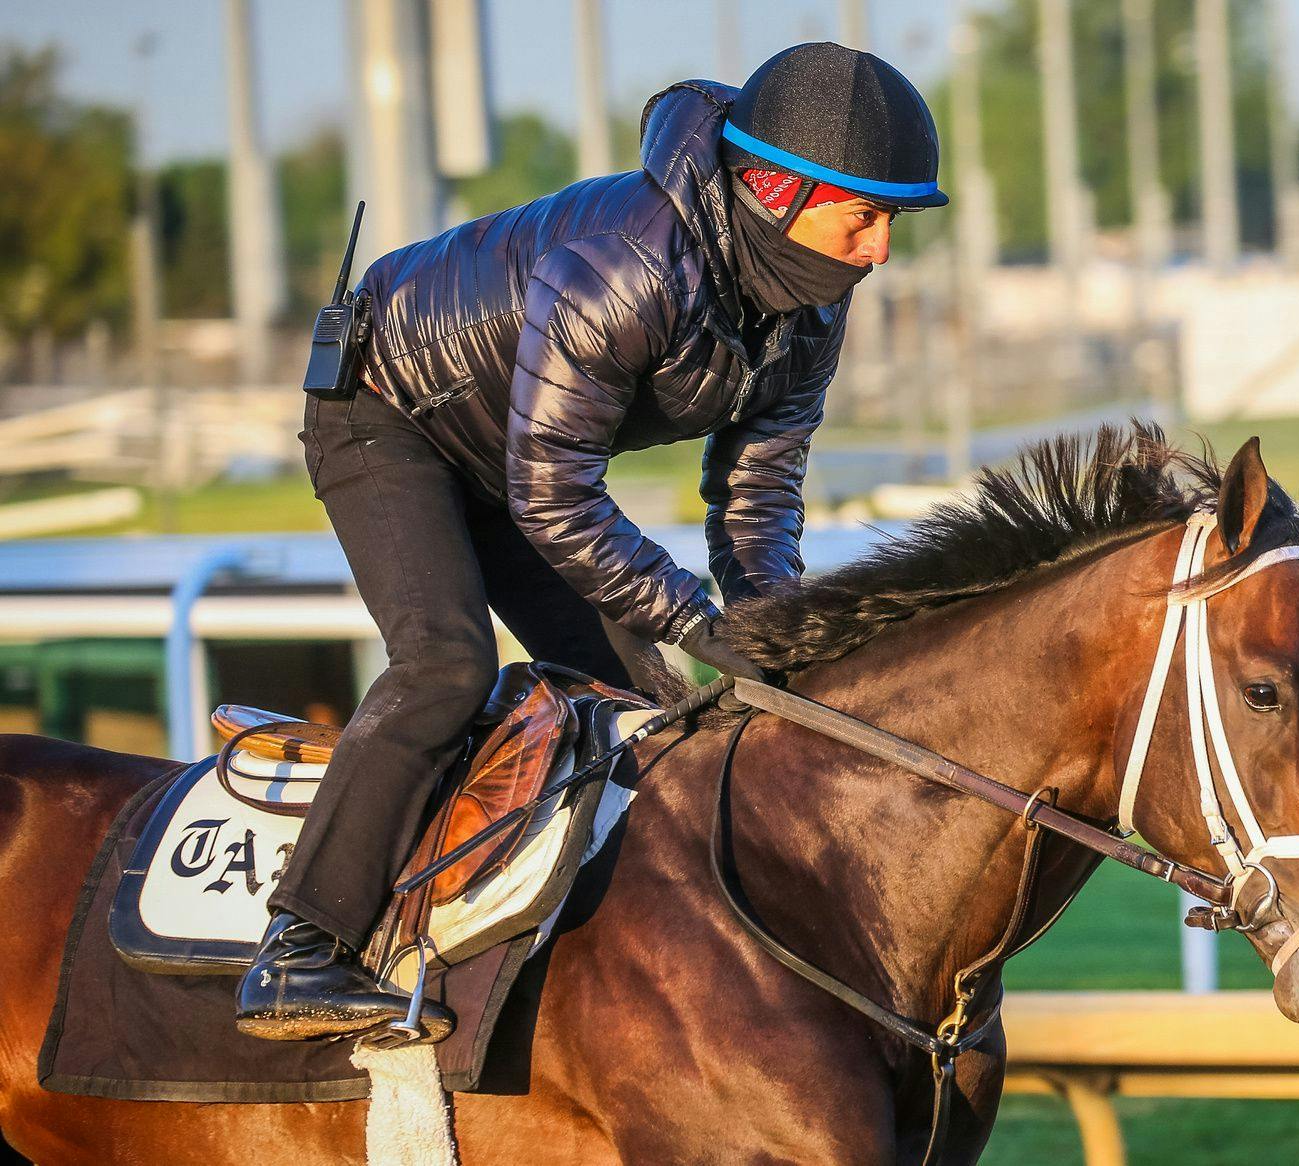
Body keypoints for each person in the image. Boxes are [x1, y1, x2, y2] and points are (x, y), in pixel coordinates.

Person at [236, 42, 948, 1041]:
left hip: (517, 457)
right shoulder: (628, 265)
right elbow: (555, 498)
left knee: (652, 707)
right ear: (779, 191)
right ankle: (298, 946)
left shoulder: (811, 306)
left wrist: (769, 628)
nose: (879, 251)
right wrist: (698, 620)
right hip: (387, 412)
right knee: (445, 662)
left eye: (889, 223)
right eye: (864, 217)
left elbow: (757, 489)